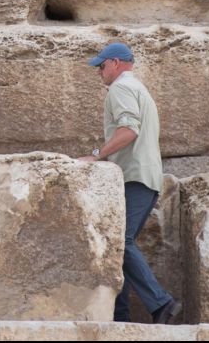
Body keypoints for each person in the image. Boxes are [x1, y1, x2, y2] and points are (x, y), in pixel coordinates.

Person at [78, 43, 181, 324]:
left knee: (119, 242)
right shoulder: (137, 87)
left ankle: (161, 303)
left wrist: (96, 155)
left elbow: (129, 130)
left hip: (134, 176)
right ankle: (120, 315)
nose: (99, 72)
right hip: (143, 176)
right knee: (117, 245)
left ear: (115, 63)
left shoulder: (121, 88)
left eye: (101, 66)